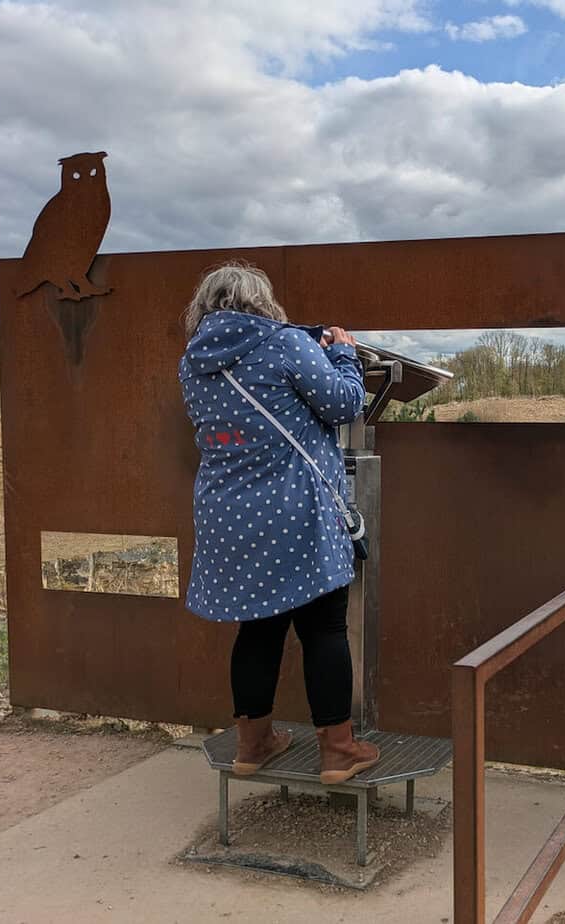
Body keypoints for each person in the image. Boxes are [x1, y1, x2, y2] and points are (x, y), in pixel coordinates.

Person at [178, 261, 379, 784]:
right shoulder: (286, 344)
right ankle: (339, 750)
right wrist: (344, 354)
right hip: (294, 508)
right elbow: (343, 404)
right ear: (261, 302)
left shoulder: (193, 361)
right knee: (324, 627)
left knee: (258, 627)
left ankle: (252, 745)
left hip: (226, 512)